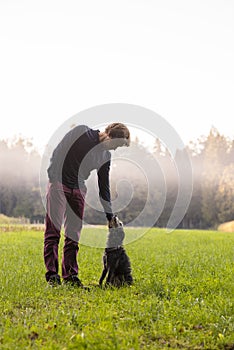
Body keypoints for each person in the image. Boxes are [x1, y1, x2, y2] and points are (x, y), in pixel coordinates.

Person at [44, 122, 130, 287]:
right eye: (117, 144)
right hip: (59, 185)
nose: (115, 149)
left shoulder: (105, 156)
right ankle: (53, 278)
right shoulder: (82, 133)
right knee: (53, 233)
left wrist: (110, 216)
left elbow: (104, 187)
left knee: (73, 237)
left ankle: (70, 277)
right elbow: (59, 151)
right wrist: (53, 177)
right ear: (111, 135)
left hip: (78, 190)